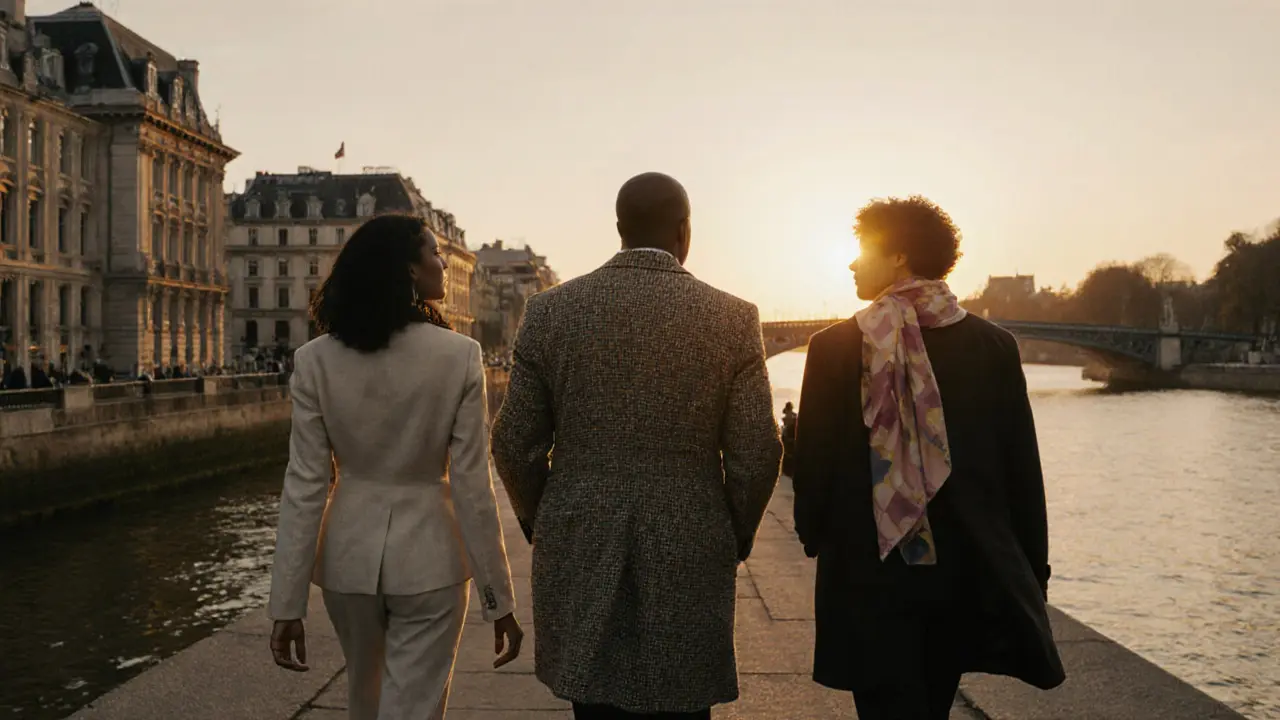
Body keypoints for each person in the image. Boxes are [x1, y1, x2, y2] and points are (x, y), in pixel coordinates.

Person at [491, 172, 782, 719]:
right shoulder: (732, 318)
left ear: (619, 229)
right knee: (683, 700)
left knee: (594, 700)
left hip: (581, 536)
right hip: (690, 539)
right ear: (684, 230)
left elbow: (512, 443)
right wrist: (734, 531)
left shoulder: (551, 312)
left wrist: (543, 517)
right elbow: (757, 452)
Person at [791, 196, 1065, 720]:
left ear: (897, 256)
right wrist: (1034, 567)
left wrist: (813, 535)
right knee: (933, 704)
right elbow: (1021, 472)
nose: (851, 263)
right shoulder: (994, 347)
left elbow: (814, 467)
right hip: (963, 572)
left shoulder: (834, 348)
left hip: (867, 571)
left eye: (861, 250)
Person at [267, 214, 524, 720]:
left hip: (348, 560)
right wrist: (500, 599)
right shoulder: (459, 355)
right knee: (415, 707)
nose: (443, 263)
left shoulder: (315, 359)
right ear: (408, 269)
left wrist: (287, 605)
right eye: (434, 253)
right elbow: (472, 486)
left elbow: (305, 486)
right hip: (432, 559)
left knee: (365, 699)